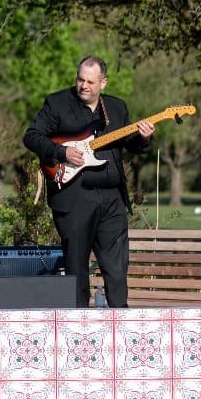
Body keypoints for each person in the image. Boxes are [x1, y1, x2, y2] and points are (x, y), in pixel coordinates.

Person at [22, 56, 154, 308]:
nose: (84, 85)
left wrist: (144, 139)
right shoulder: (57, 103)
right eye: (80, 79)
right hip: (74, 197)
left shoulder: (116, 107)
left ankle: (119, 322)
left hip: (111, 198)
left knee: (116, 268)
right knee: (77, 268)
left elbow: (130, 144)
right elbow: (31, 137)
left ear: (103, 83)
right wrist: (62, 153)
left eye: (90, 82)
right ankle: (78, 327)